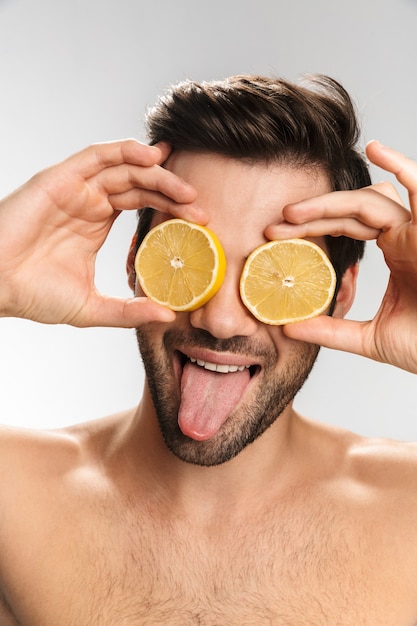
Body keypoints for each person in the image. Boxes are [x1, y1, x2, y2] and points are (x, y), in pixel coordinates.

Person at [0, 74, 416, 626]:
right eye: (194, 258)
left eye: (274, 271)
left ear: (339, 293)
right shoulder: (12, 499)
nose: (220, 321)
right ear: (137, 263)